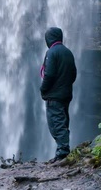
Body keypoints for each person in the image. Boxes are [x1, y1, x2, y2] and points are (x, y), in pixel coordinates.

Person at [39, 27, 77, 163]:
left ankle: (62, 152)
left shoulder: (52, 52)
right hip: (65, 94)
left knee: (56, 122)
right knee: (63, 121)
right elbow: (73, 74)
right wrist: (65, 86)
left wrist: (43, 89)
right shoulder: (68, 52)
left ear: (49, 38)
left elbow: (49, 74)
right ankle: (62, 150)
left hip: (54, 96)